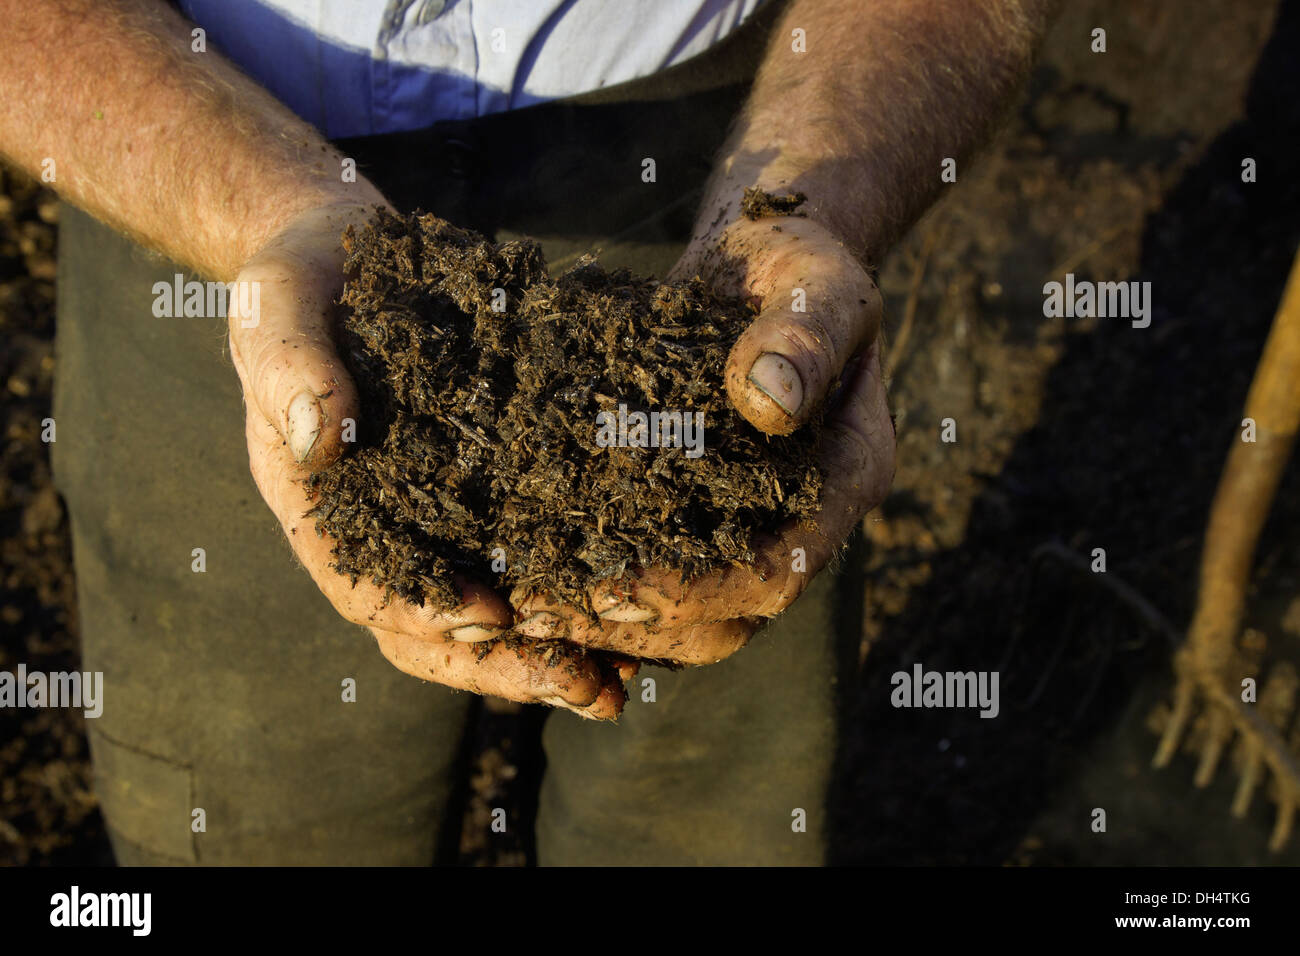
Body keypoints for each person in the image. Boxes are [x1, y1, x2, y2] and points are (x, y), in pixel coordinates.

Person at [0, 0, 1054, 864]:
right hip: (181, 134)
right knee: (251, 818)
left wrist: (813, 198)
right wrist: (264, 214)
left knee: (700, 810)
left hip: (746, 145)